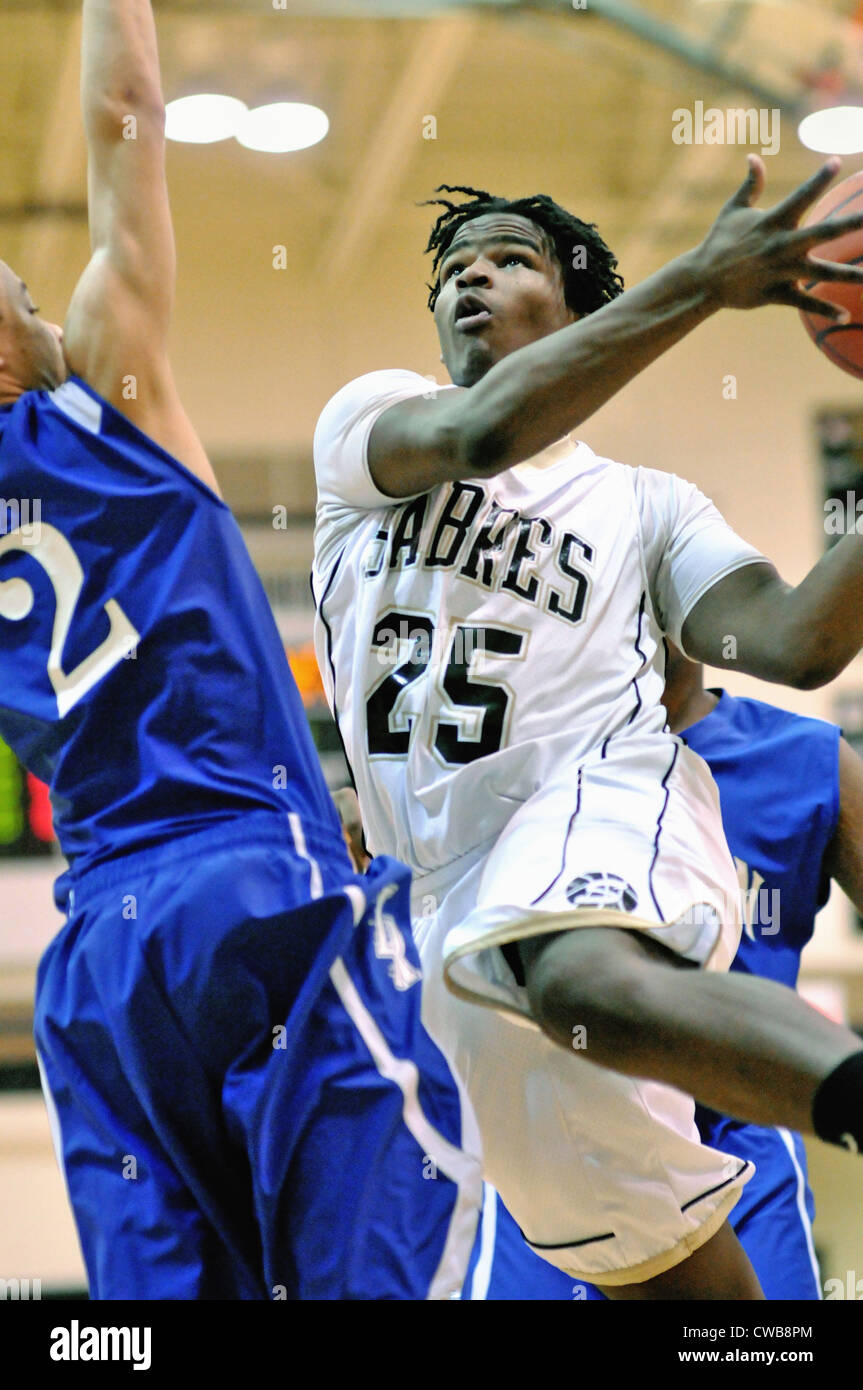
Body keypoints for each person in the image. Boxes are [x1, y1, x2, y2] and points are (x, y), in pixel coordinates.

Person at [0, 0, 480, 1300]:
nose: (49, 309)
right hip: (244, 884)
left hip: (95, 957)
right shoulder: (112, 403)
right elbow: (122, 121)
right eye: (26, 297)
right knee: (368, 1261)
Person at [312, 166, 863, 1299]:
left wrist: (702, 285)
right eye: (452, 266)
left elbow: (797, 641)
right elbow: (481, 429)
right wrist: (703, 281)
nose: (470, 272)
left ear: (574, 303)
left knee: (571, 973)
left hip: (597, 802)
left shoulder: (647, 505)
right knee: (661, 1277)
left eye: (509, 257)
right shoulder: (369, 426)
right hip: (446, 898)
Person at [464, 645, 861, 1300]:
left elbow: (802, 631)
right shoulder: (508, 758)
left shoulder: (803, 760)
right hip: (551, 1131)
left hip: (738, 1133)